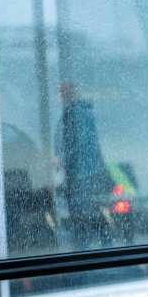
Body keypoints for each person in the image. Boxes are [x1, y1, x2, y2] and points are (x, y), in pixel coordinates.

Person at [55, 82, 112, 246]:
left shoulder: (75, 114)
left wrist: (62, 158)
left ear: (71, 93)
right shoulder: (80, 112)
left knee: (82, 212)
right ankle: (102, 243)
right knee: (90, 209)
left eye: (63, 92)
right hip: (86, 172)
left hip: (80, 173)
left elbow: (76, 143)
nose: (60, 96)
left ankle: (84, 247)